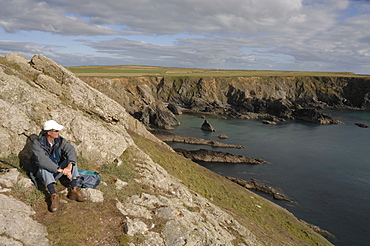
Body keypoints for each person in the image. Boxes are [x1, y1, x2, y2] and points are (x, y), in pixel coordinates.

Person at [31, 120, 87, 212]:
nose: (59, 132)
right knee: (43, 168)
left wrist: (69, 166)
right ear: (49, 133)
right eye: (56, 131)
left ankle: (74, 189)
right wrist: (61, 170)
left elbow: (70, 149)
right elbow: (43, 160)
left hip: (58, 170)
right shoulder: (37, 144)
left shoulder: (59, 140)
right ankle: (53, 195)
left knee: (72, 162)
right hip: (44, 174)